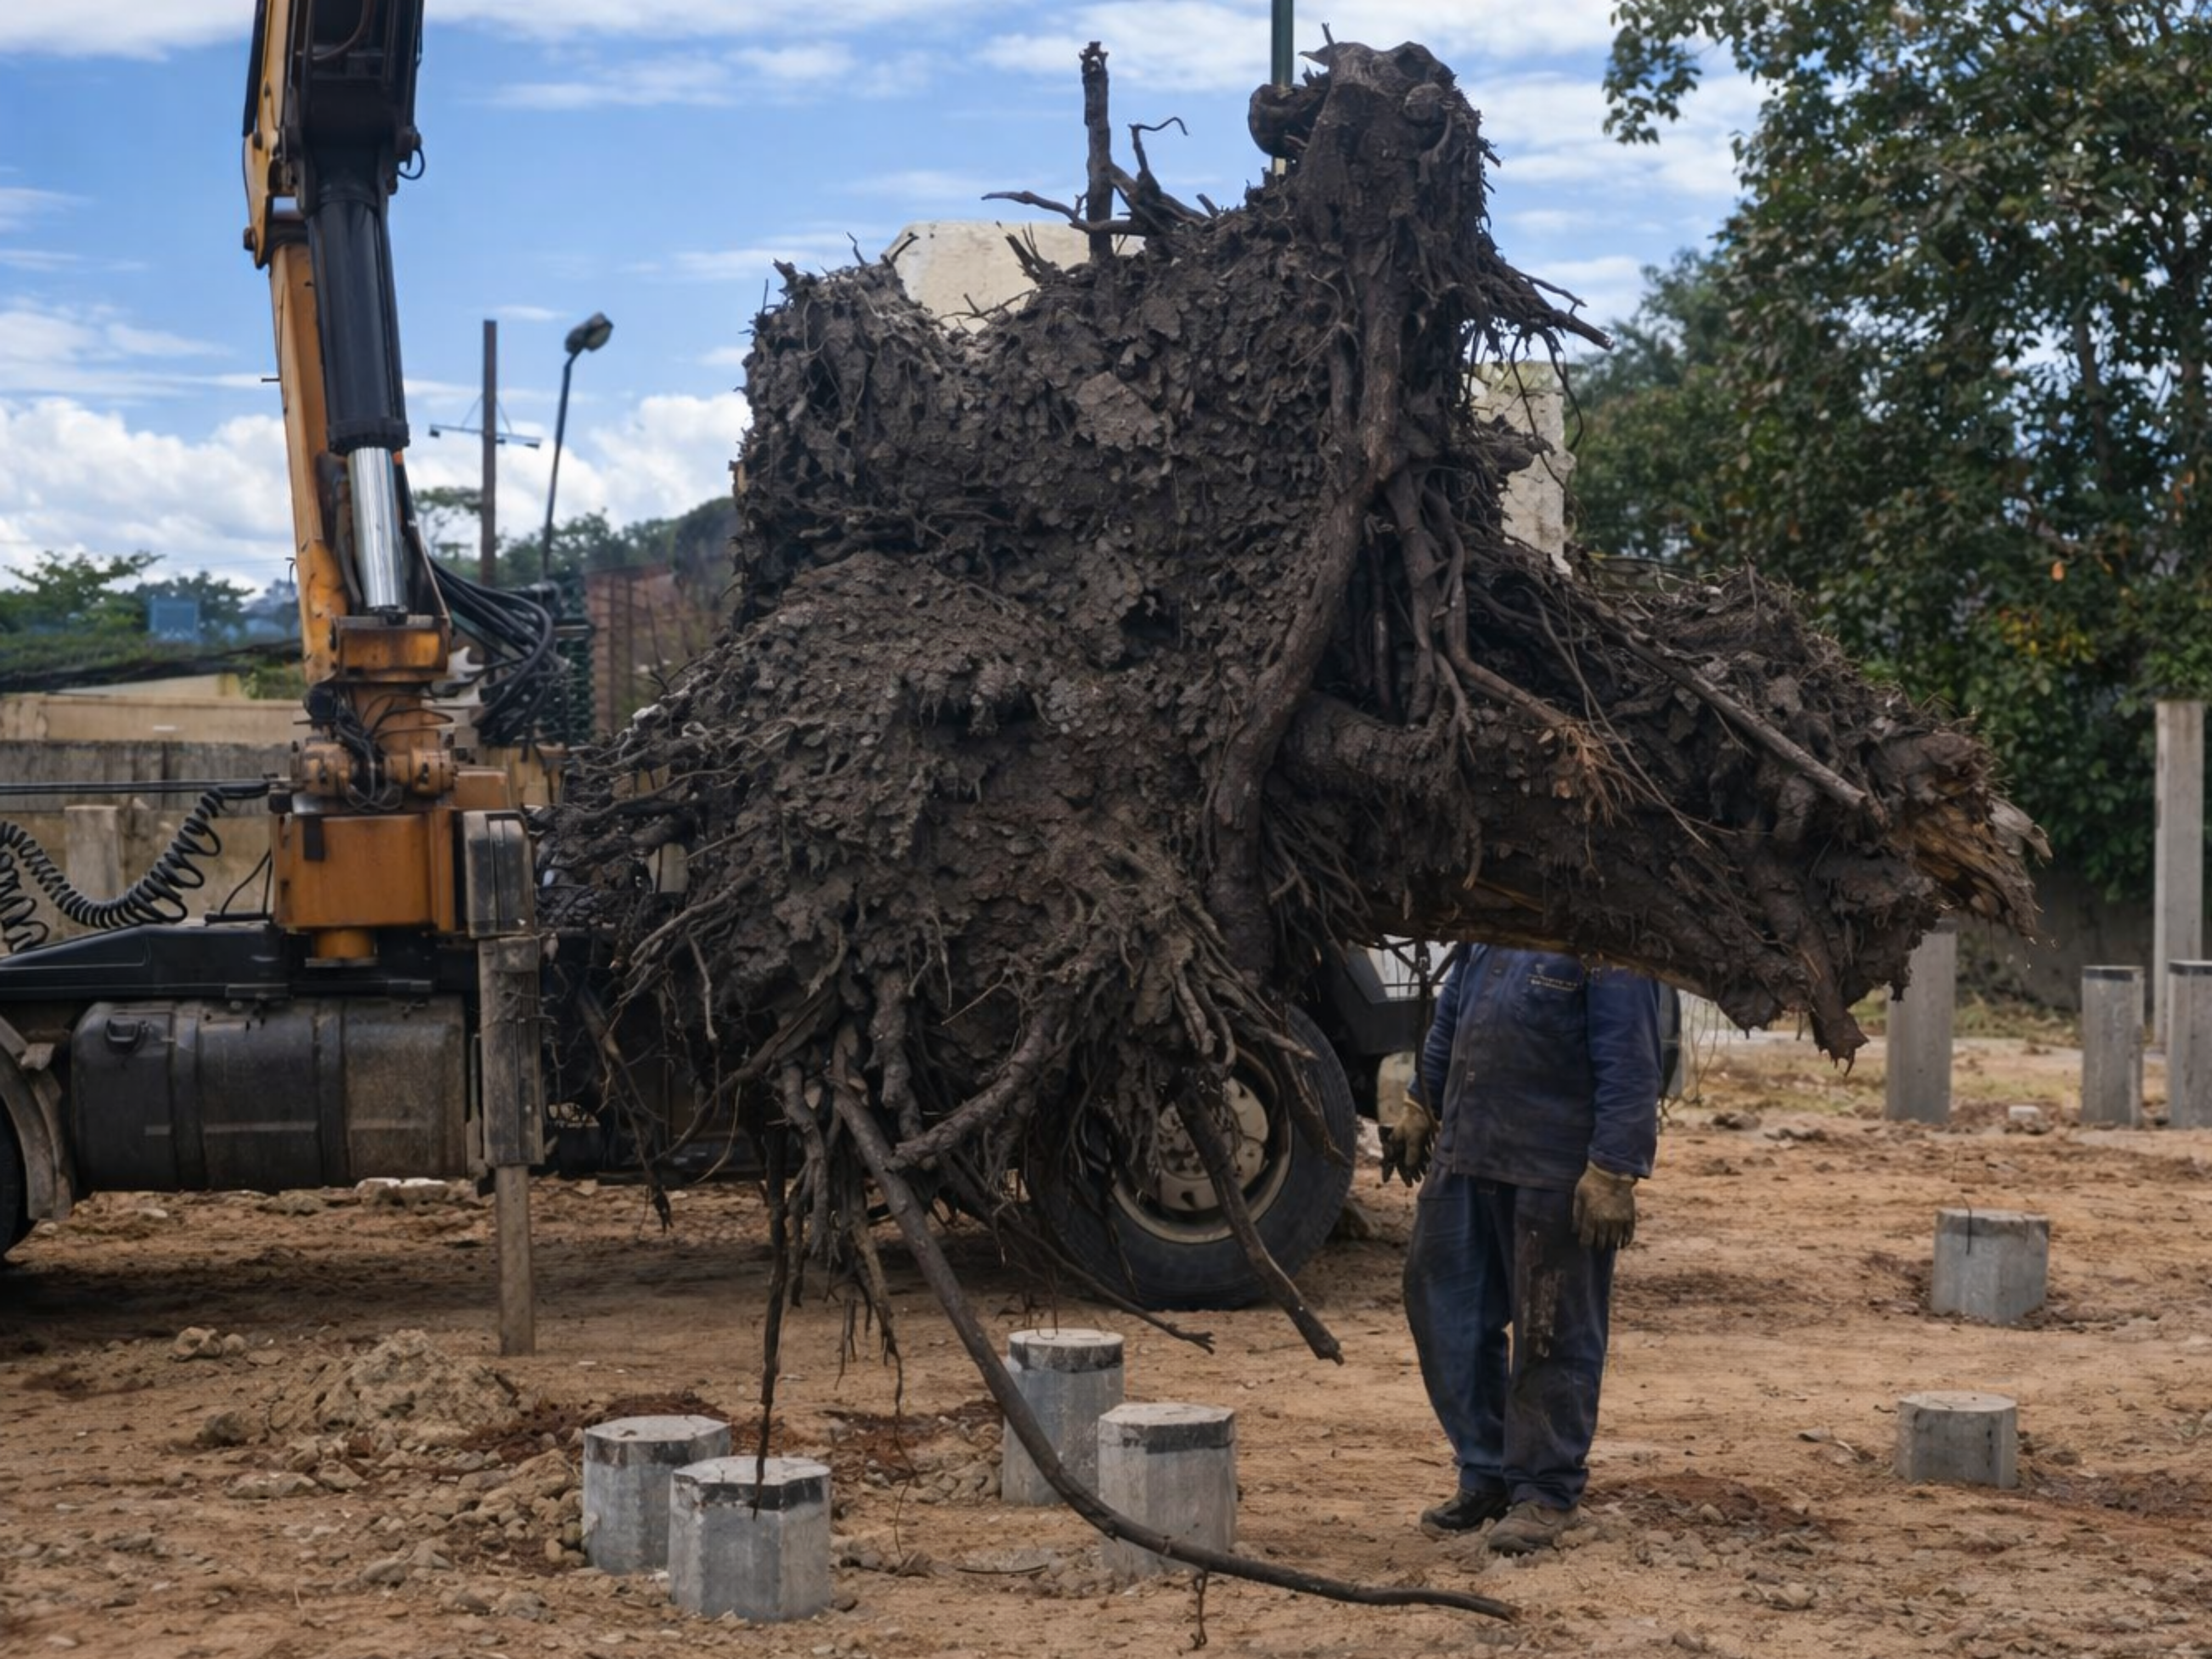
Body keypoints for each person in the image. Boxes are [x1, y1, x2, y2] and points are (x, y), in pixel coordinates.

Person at [1383, 943, 1663, 1554]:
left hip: (1553, 1173)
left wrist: (1615, 1171)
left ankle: (1543, 1491)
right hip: (1465, 1156)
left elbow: (1630, 1058)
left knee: (1552, 1335)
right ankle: (1485, 1472)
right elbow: (1451, 1018)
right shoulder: (1491, 929)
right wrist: (1420, 1103)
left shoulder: (1605, 944)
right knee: (1445, 1317)